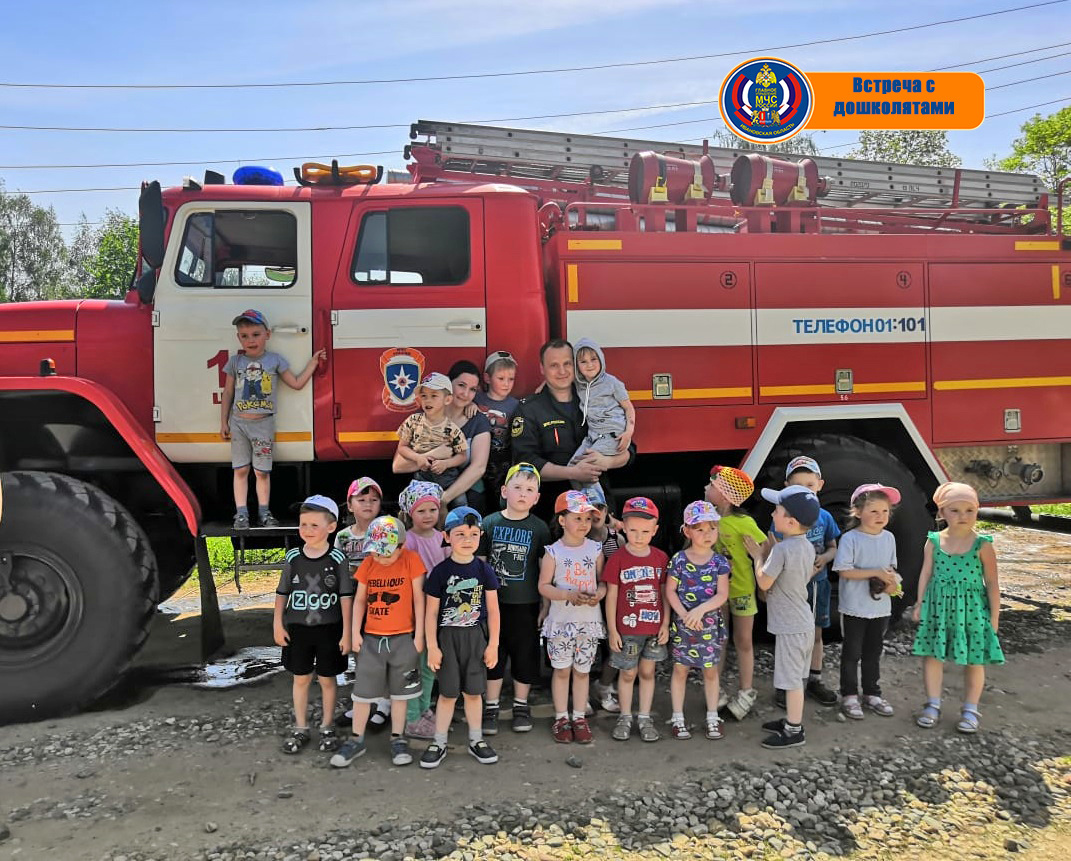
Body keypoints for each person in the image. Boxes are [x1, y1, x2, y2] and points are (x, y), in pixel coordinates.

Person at [330, 516, 425, 769]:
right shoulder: (369, 564)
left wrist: (420, 635)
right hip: (372, 637)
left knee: (400, 694)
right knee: (362, 694)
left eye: (387, 553)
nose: (381, 558)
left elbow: (419, 600)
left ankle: (397, 737)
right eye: (377, 552)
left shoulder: (411, 561)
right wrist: (354, 632)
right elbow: (360, 599)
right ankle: (356, 738)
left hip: (404, 637)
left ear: (402, 546)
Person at [912, 482, 1004, 734]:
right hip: (938, 608)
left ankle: (970, 709)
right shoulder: (933, 541)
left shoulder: (982, 545)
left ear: (977, 511)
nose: (963, 516)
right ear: (941, 512)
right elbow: (926, 573)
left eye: (969, 510)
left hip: (972, 610)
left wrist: (994, 616)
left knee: (974, 659)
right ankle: (932, 704)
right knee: (933, 655)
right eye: (955, 510)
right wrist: (920, 603)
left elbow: (993, 583)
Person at [220, 309, 325, 529]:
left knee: (261, 471)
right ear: (238, 337)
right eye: (244, 335)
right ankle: (241, 515)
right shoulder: (235, 362)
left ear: (267, 334)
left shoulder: (274, 360)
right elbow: (228, 393)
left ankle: (264, 513)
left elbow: (296, 383)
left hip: (263, 424)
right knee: (240, 470)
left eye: (256, 334)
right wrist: (224, 422)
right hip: (239, 423)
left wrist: (313, 364)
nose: (251, 340)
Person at [511, 339, 632, 519]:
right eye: (554, 365)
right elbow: (526, 463)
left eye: (567, 364)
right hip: (553, 512)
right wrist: (573, 473)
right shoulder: (529, 409)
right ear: (542, 369)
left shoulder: (598, 398)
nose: (562, 371)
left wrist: (606, 462)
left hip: (599, 510)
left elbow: (628, 451)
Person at [421, 507, 501, 768]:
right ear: (447, 536)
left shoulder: (484, 570)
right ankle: (439, 741)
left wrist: (493, 645)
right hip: (448, 639)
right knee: (447, 694)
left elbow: (493, 610)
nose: (468, 540)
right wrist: (432, 646)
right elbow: (431, 613)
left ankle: (476, 739)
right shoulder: (440, 572)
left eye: (474, 534)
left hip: (475, 638)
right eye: (461, 534)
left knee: (474, 693)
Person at [273, 495, 353, 754]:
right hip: (298, 629)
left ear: (331, 527)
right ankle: (301, 727)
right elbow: (282, 592)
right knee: (301, 678)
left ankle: (327, 726)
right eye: (303, 525)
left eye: (314, 525)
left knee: (329, 679)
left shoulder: (338, 559)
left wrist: (348, 632)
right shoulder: (293, 556)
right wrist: (278, 624)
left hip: (330, 629)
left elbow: (345, 597)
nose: (307, 531)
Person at [744, 485, 821, 749]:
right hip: (802, 622)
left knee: (792, 681)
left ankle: (794, 730)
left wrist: (757, 556)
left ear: (790, 521)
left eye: (776, 510)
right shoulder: (806, 546)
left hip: (790, 626)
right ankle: (791, 720)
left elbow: (764, 582)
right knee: (795, 677)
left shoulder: (782, 550)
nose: (772, 514)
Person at [479, 462, 550, 735]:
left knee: (525, 656)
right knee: (493, 655)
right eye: (517, 487)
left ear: (537, 498)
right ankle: (492, 706)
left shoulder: (540, 528)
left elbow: (544, 570)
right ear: (505, 490)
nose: (523, 494)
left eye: (529, 489)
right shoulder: (490, 523)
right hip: (495, 605)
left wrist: (545, 605)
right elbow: (481, 564)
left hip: (527, 605)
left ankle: (521, 705)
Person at [770, 457, 840, 709]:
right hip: (789, 589)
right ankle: (788, 683)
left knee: (816, 632)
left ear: (820, 485)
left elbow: (833, 547)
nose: (805, 490)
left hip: (818, 584)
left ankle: (814, 678)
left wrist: (824, 558)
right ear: (786, 486)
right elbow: (775, 548)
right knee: (788, 634)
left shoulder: (825, 517)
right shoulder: (781, 518)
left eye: (809, 485)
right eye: (797, 485)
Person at [538, 490, 606, 744]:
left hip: (588, 622)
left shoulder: (596, 549)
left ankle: (579, 717)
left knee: (582, 671)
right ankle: (560, 718)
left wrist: (598, 593)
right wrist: (566, 593)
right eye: (577, 518)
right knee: (562, 670)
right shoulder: (553, 552)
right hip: (562, 622)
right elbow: (543, 586)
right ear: (562, 520)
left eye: (588, 519)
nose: (584, 524)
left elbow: (603, 583)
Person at [831, 484, 903, 720]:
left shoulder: (890, 538)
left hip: (880, 607)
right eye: (873, 511)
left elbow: (891, 570)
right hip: (854, 607)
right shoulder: (850, 539)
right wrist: (876, 573)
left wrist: (893, 584)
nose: (880, 516)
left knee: (874, 651)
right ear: (858, 512)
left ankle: (872, 693)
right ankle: (849, 695)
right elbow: (843, 571)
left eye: (884, 511)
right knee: (852, 652)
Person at [604, 497, 669, 742]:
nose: (638, 536)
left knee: (648, 672)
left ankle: (644, 717)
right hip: (626, 629)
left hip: (653, 629)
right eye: (632, 530)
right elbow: (611, 595)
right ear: (624, 527)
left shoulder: (661, 558)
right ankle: (624, 716)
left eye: (645, 531)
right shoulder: (618, 558)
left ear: (655, 530)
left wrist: (665, 624)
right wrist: (612, 629)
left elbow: (665, 594)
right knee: (628, 673)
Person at [665, 501, 731, 741]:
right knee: (680, 669)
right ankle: (677, 717)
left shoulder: (720, 562)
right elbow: (670, 591)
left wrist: (701, 610)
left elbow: (722, 595)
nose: (707, 534)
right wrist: (684, 615)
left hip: (708, 625)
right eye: (700, 529)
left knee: (711, 671)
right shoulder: (679, 560)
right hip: (684, 625)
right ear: (688, 531)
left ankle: (713, 716)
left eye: (712, 528)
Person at [705, 466, 766, 720]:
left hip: (741, 591)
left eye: (712, 485)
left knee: (743, 641)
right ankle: (714, 689)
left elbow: (764, 548)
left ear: (726, 496)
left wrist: (760, 563)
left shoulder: (745, 523)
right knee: (718, 640)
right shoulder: (707, 519)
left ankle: (746, 691)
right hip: (716, 592)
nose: (706, 488)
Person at [394, 362, 491, 513]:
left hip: (460, 489)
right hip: (425, 485)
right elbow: (398, 466)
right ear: (448, 385)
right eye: (461, 385)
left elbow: (478, 468)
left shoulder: (478, 421)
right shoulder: (424, 418)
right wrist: (433, 454)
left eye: (472, 389)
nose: (465, 394)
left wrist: (443, 498)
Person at [332, 477, 389, 730]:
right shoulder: (342, 537)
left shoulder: (386, 532)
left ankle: (385, 704)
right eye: (362, 499)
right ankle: (362, 703)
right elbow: (336, 570)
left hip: (380, 604)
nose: (368, 504)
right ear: (350, 504)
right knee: (360, 653)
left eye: (373, 500)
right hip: (353, 603)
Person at [397, 480, 450, 740]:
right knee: (414, 665)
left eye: (432, 510)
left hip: (438, 610)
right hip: (416, 611)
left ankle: (425, 707)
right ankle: (411, 718)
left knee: (430, 664)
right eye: (421, 511)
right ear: (410, 514)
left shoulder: (443, 538)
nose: (428, 515)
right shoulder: (408, 540)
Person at [568, 339, 635, 497]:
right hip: (593, 436)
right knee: (572, 468)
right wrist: (543, 385)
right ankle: (582, 503)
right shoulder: (579, 384)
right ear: (577, 366)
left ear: (601, 359)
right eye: (583, 361)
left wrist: (629, 433)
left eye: (594, 359)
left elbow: (628, 407)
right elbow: (560, 378)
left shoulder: (612, 383)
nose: (589, 365)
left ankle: (598, 506)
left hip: (612, 434)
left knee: (586, 467)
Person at [394, 372, 469, 506]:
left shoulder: (452, 429)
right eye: (424, 396)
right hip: (422, 478)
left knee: (460, 501)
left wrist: (447, 463)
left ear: (447, 400)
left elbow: (462, 456)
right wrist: (418, 458)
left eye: (434, 396)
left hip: (447, 479)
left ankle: (460, 525)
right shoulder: (413, 422)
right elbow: (402, 447)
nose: (428, 400)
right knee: (417, 505)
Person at [586, 484, 622, 713]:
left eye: (598, 507)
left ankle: (604, 686)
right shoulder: (572, 540)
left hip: (612, 601)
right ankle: (581, 694)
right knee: (585, 649)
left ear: (606, 509)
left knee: (616, 647)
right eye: (588, 509)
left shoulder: (617, 540)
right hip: (584, 601)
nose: (594, 513)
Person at [476, 351, 520, 505]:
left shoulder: (515, 405)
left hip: (503, 464)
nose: (506, 383)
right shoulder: (476, 399)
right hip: (478, 460)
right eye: (501, 378)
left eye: (511, 379)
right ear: (487, 378)